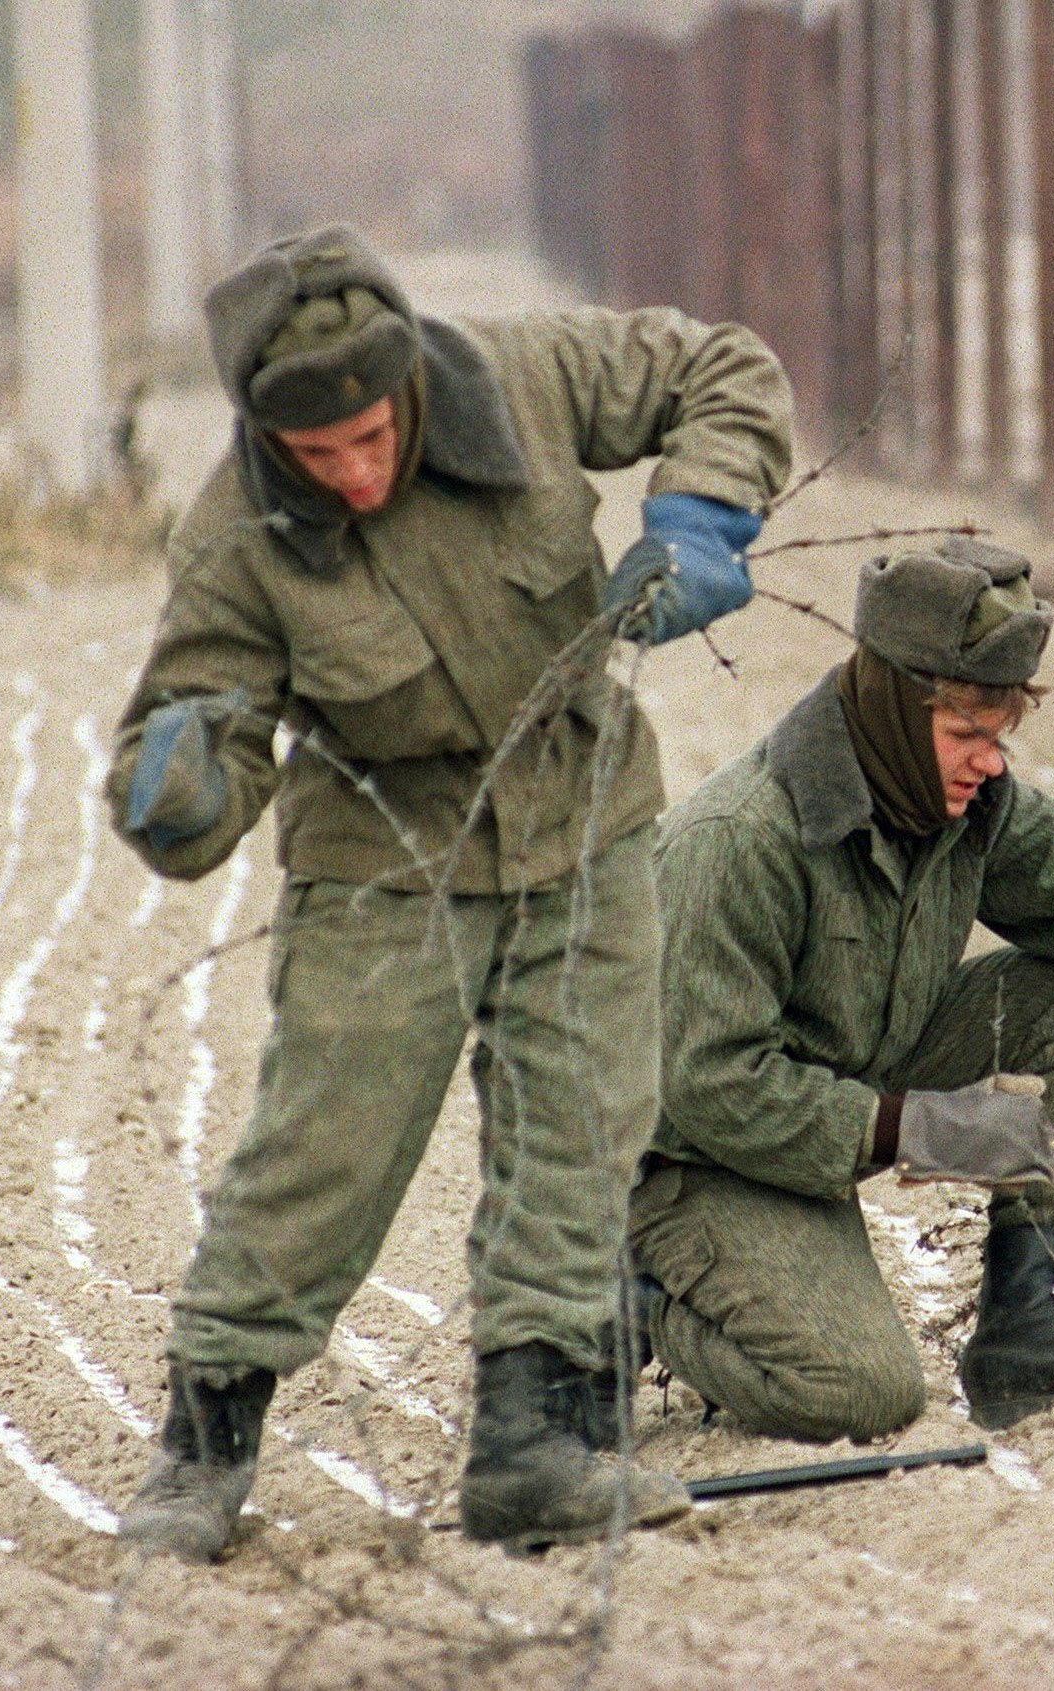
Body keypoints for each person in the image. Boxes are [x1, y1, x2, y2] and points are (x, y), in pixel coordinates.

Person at [103, 225, 792, 1559]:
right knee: (325, 1145)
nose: (357, 477)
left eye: (373, 436)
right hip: (384, 862)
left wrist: (698, 515)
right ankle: (204, 1441)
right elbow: (200, 725)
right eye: (320, 458)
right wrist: (181, 784)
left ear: (410, 380)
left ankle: (537, 1443)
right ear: (265, 435)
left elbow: (723, 369)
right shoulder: (235, 541)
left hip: (581, 818)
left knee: (579, 1132)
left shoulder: (527, 378)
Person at [634, 537, 1054, 1441]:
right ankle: (640, 1291)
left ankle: (1029, 1321)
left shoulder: (961, 803)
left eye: (998, 736)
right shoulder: (738, 841)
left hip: (839, 1085)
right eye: (966, 734)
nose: (990, 761)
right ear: (890, 710)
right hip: (698, 1156)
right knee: (860, 1393)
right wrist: (910, 1125)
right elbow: (709, 1085)